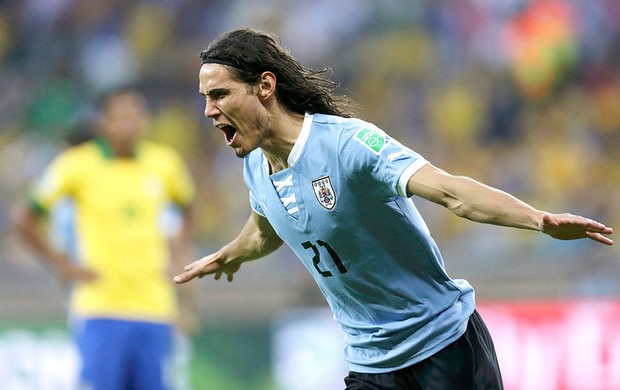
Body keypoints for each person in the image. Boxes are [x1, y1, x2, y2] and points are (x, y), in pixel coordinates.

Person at [173, 29, 614, 390]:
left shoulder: (347, 144)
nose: (209, 111)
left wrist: (538, 220)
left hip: (444, 347)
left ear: (265, 86)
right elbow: (264, 231)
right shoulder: (254, 168)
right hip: (372, 366)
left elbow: (451, 191)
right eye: (205, 98)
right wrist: (229, 254)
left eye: (220, 94)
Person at [14, 86, 196, 390]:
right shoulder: (77, 165)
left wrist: (178, 257)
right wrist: (63, 265)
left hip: (155, 308)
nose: (129, 124)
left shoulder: (164, 164)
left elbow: (188, 208)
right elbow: (25, 217)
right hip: (101, 307)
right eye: (120, 117)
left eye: (136, 116)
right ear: (103, 122)